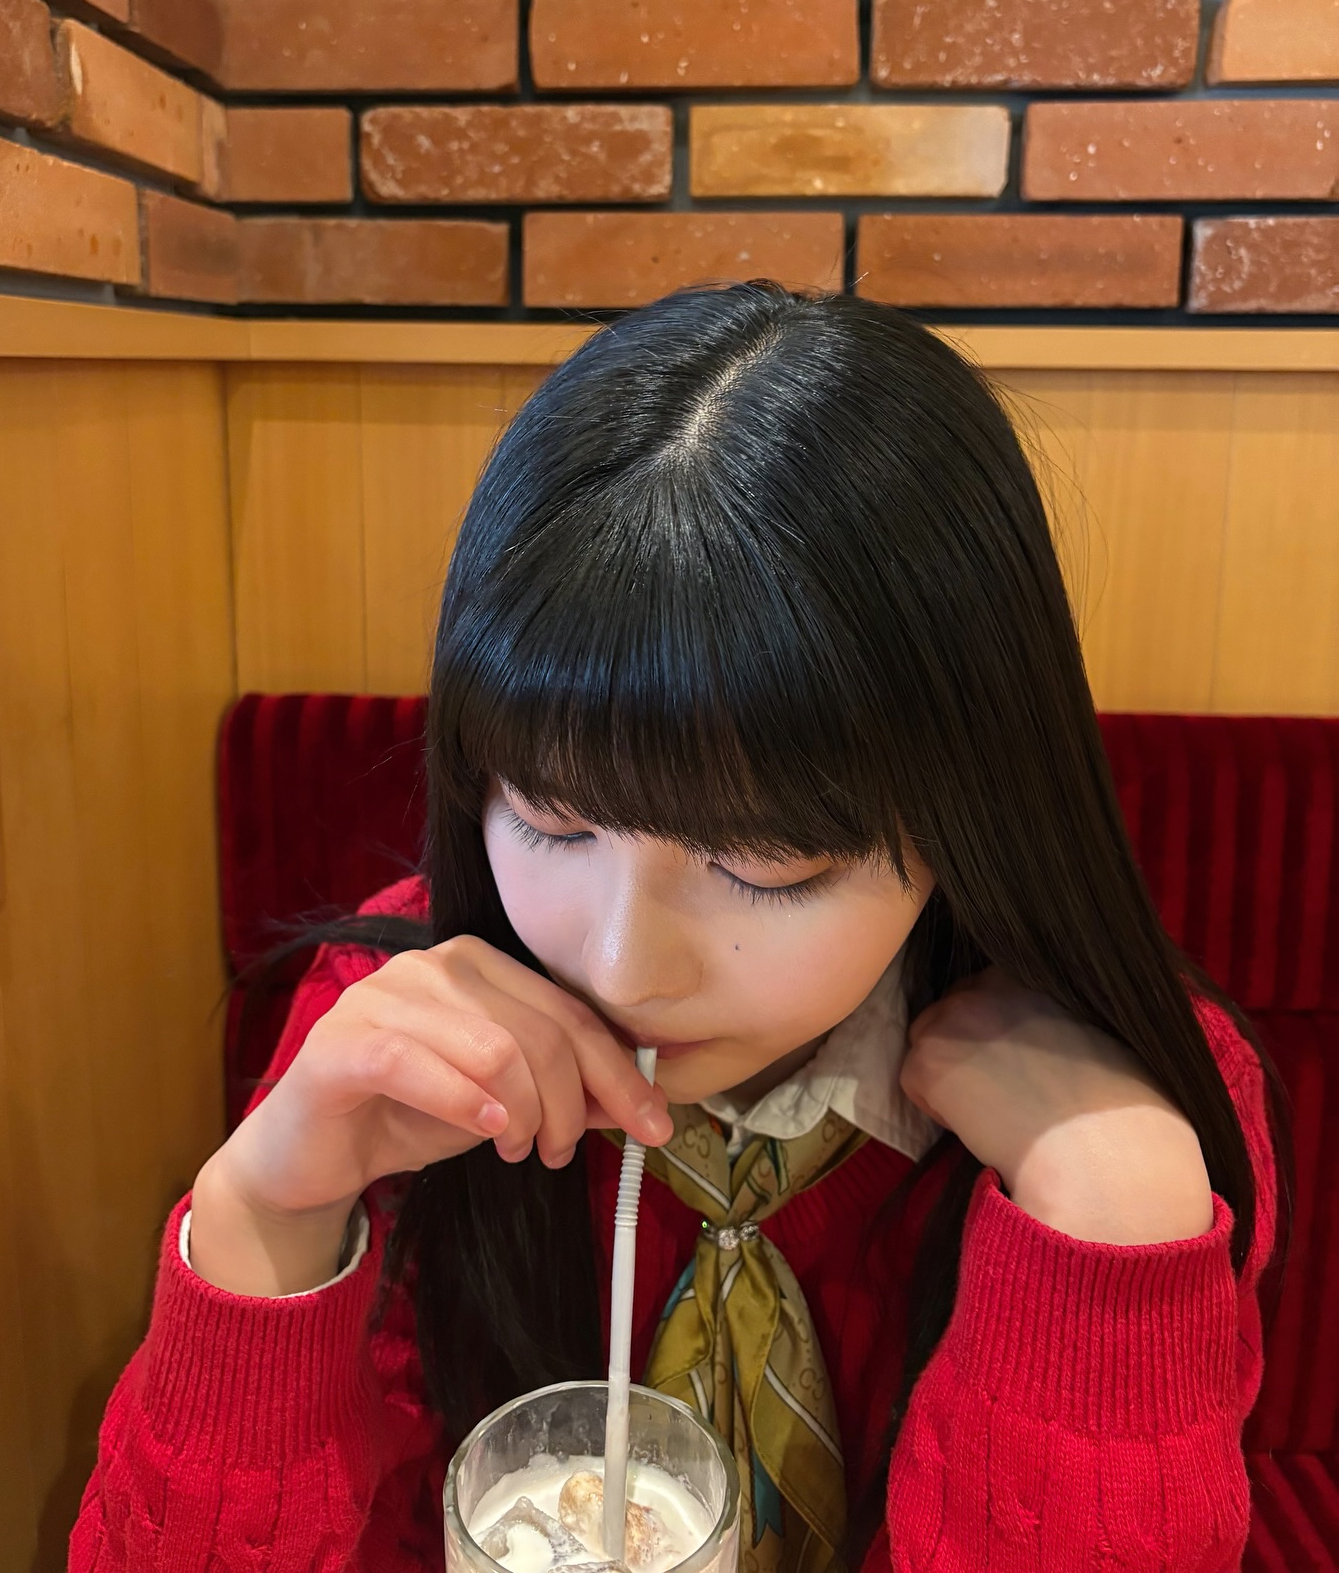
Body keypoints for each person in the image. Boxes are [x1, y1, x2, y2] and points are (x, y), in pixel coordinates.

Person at [71, 285, 1283, 1573]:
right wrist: (264, 1214)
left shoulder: (1143, 1111)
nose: (619, 967)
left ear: (971, 806)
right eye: (550, 820)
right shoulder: (394, 1025)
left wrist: (1112, 1233)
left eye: (765, 866)